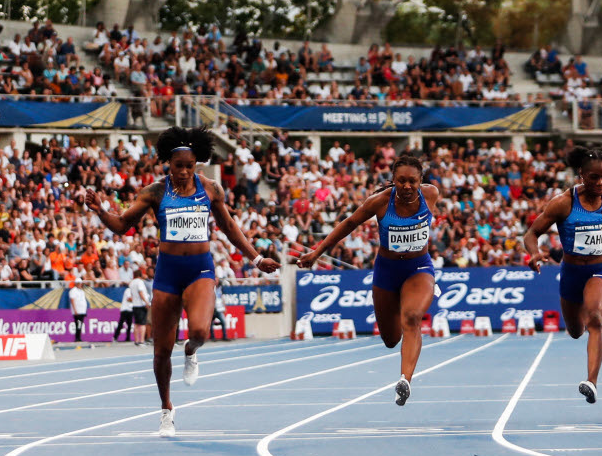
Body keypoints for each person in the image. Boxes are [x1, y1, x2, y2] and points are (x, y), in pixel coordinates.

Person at [81, 126, 279, 437]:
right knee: (160, 351)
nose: (185, 171)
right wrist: (100, 211)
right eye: (179, 166)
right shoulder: (154, 192)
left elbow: (229, 227)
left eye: (190, 165)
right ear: (168, 165)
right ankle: (166, 411)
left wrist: (255, 259)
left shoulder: (211, 189)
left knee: (199, 331)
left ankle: (191, 351)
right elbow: (121, 225)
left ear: (197, 163)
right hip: (167, 274)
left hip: (200, 270)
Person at [297, 152, 440, 406]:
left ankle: (405, 380)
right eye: (401, 181)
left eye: (412, 182)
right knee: (390, 339)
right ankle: (399, 319)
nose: (407, 186)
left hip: (419, 268)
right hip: (387, 271)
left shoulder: (431, 195)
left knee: (412, 318)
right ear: (393, 180)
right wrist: (317, 252)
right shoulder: (380, 202)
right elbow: (349, 223)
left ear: (421, 182)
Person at [521, 143, 602, 405]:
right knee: (575, 331)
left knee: (595, 317)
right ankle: (580, 327)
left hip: (600, 270)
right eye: (594, 177)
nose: (601, 182)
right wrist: (534, 253)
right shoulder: (562, 203)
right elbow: (531, 233)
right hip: (571, 273)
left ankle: (591, 382)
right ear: (581, 173)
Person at [67, 279, 89, 343]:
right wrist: (75, 310)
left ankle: (79, 337)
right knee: (78, 324)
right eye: (79, 283)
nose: (80, 284)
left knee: (80, 324)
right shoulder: (73, 291)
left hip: (82, 310)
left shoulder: (81, 291)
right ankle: (77, 338)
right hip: (77, 311)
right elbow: (72, 301)